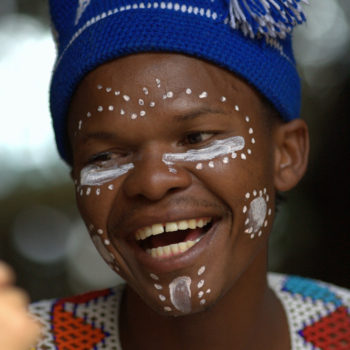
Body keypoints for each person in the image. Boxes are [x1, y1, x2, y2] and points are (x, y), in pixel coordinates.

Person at [3, 0, 349, 349]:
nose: (152, 182)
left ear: (285, 155)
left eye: (196, 138)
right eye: (105, 156)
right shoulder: (22, 340)